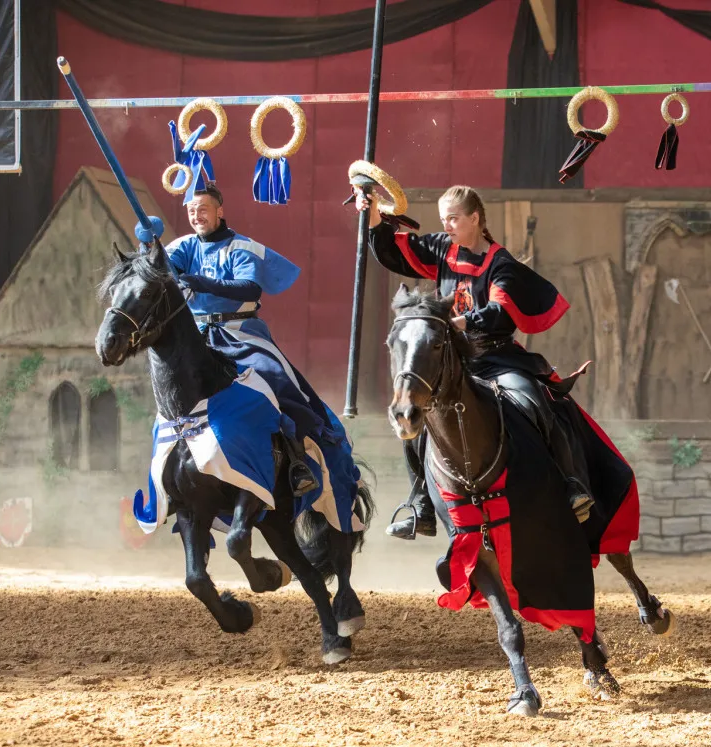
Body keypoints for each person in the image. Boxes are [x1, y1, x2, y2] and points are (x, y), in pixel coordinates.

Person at [355, 184, 594, 540]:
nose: (447, 226)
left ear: (475, 218)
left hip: (495, 357)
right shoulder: (441, 248)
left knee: (533, 399)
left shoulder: (502, 264)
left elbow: (498, 310)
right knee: (413, 411)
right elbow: (394, 252)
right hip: (453, 362)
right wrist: (372, 213)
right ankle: (421, 504)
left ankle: (570, 483)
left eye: (453, 218)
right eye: (443, 219)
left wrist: (460, 321)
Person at [165, 183, 334, 497]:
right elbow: (161, 268)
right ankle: (169, 470)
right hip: (195, 335)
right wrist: (149, 246)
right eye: (191, 211)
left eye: (203, 209)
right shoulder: (184, 246)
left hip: (238, 332)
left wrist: (200, 281)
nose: (196, 216)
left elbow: (249, 288)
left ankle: (299, 459)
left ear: (220, 211)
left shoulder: (241, 247)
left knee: (276, 380)